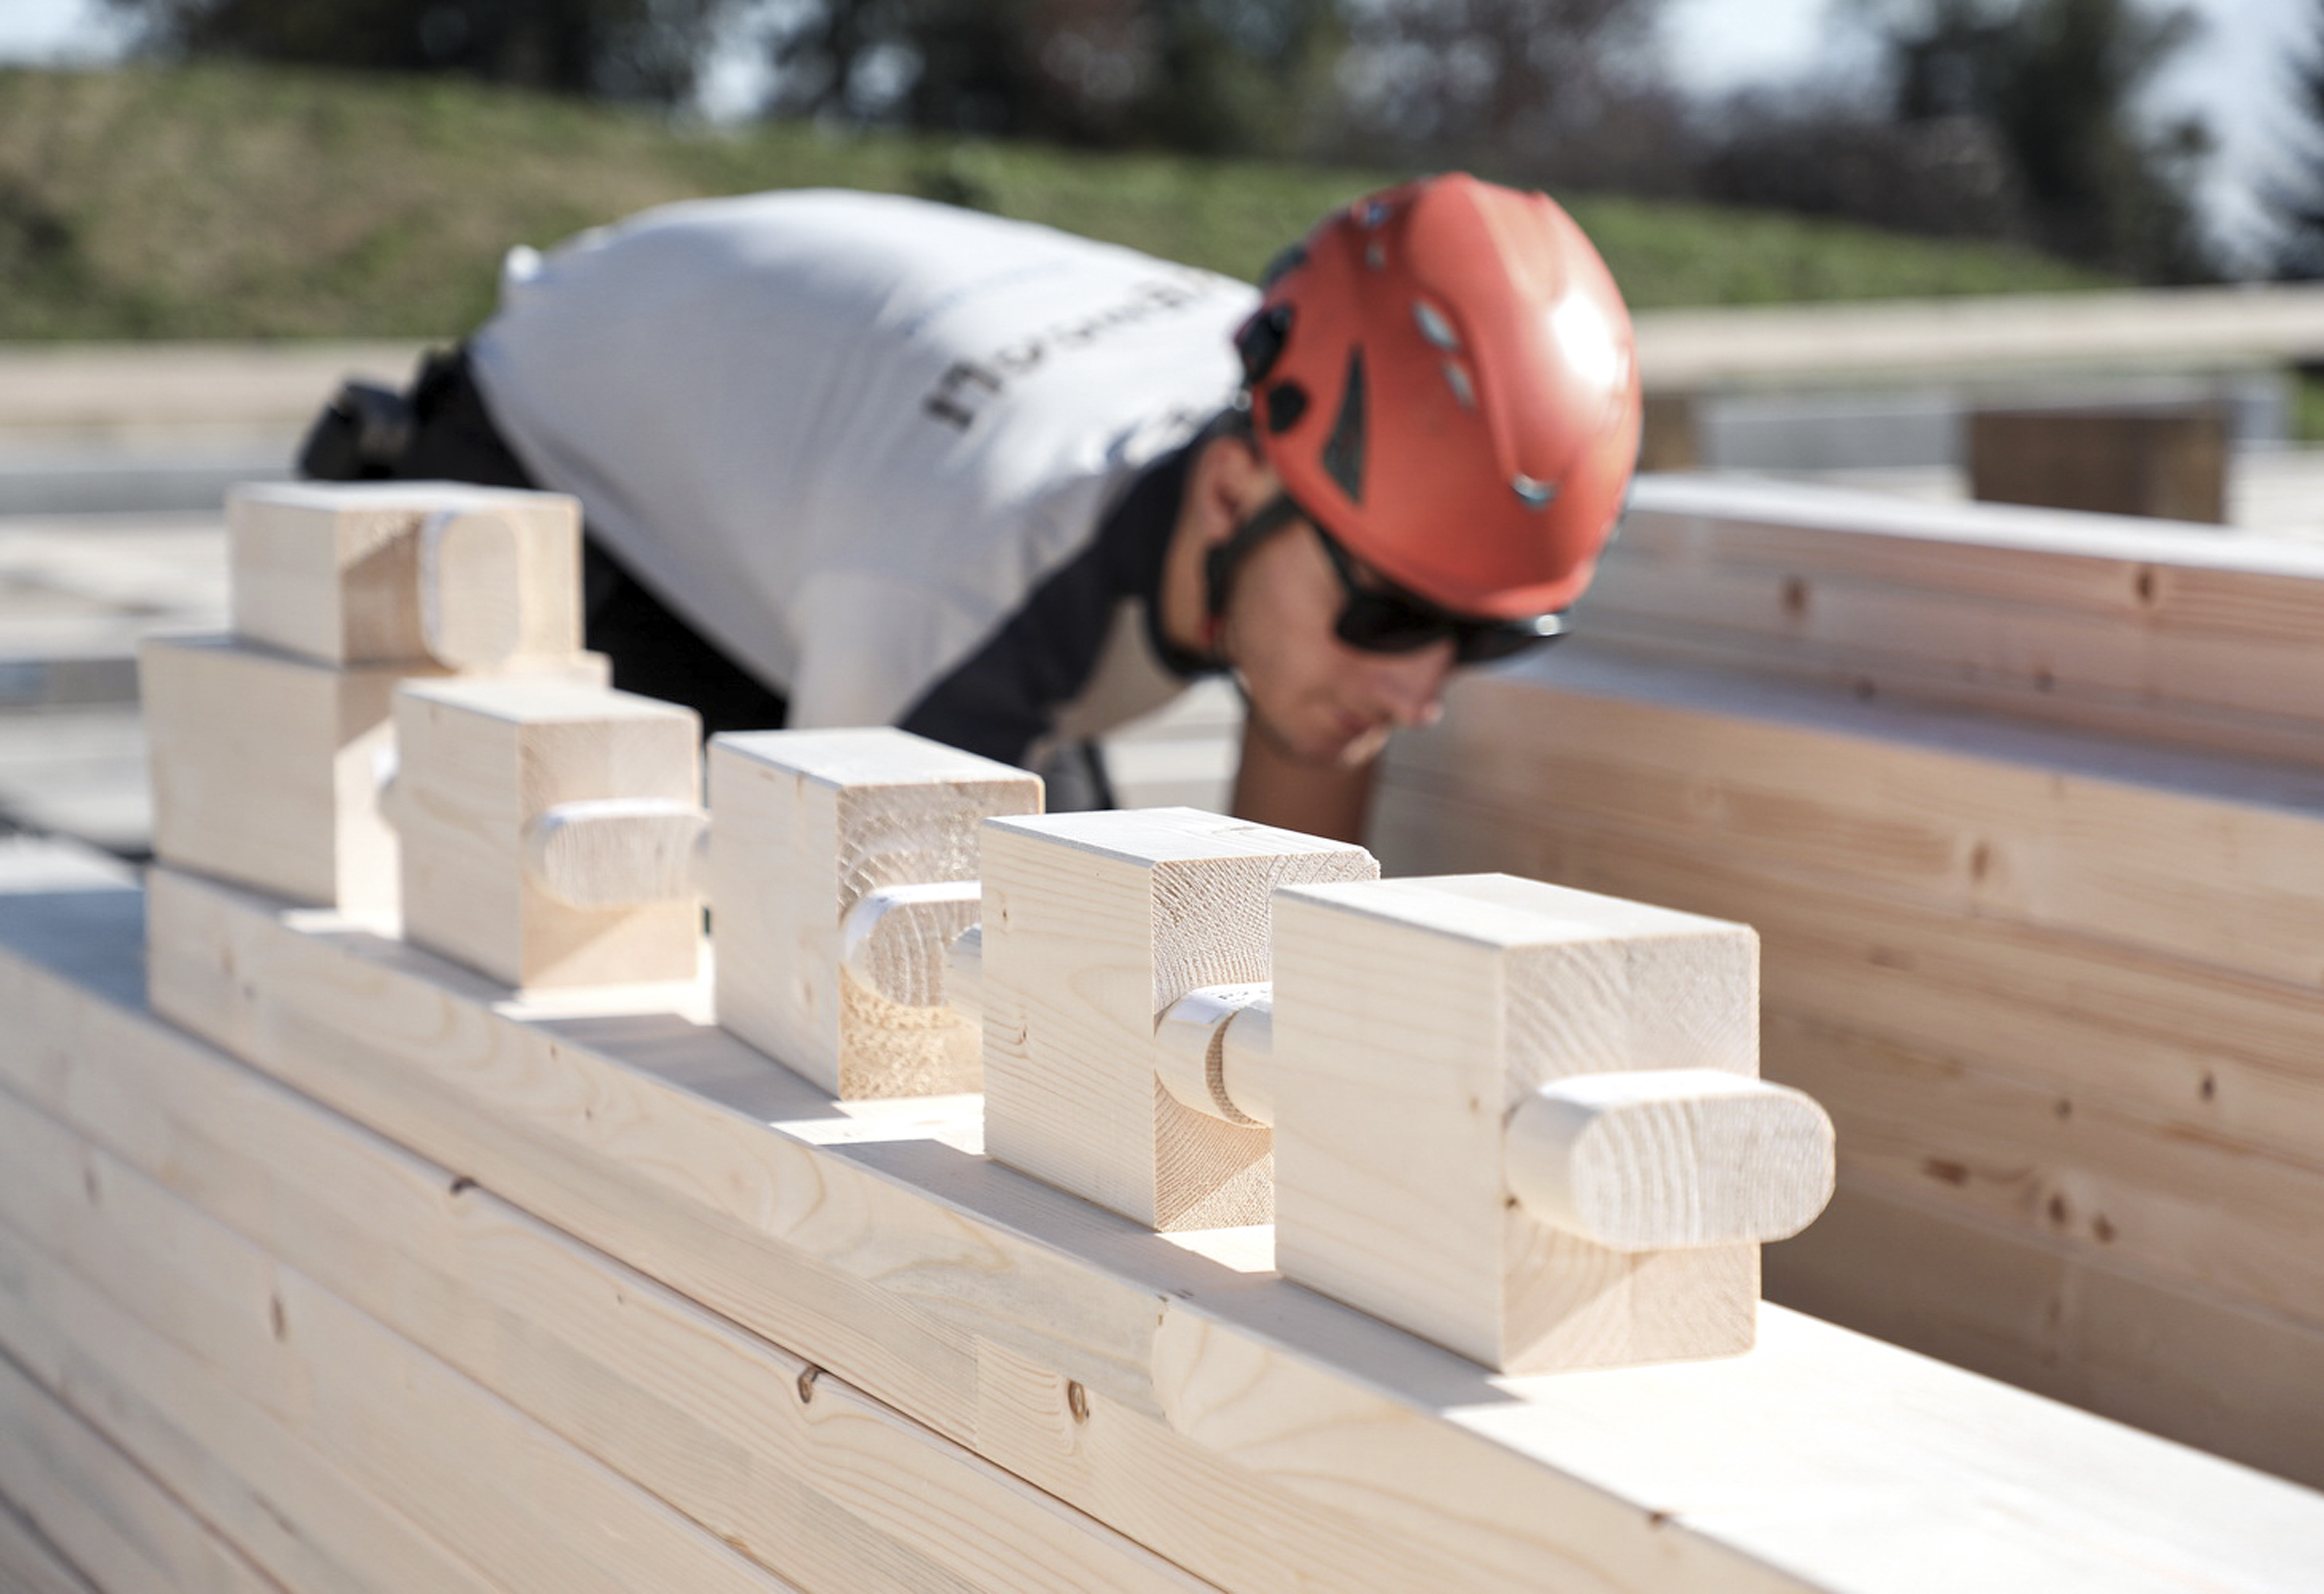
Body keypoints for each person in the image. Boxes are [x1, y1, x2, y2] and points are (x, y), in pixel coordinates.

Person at [299, 173, 1641, 843]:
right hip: (548, 453)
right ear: (1235, 481)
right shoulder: (956, 585)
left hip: (826, 447)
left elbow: (1279, 906)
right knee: (749, 916)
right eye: (1394, 614)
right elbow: (861, 1018)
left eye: (1479, 639)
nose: (1419, 696)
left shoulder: (1309, 474)